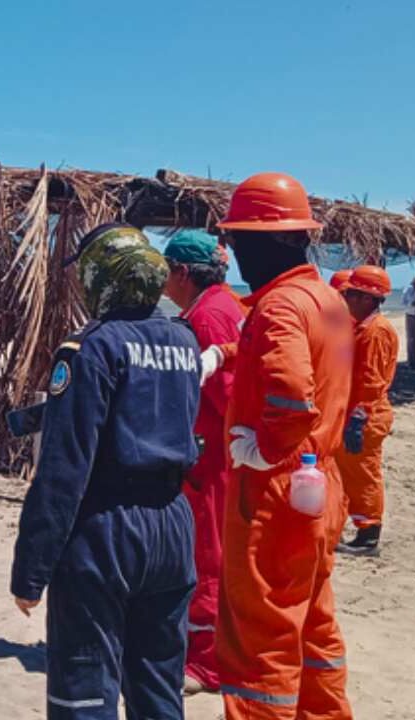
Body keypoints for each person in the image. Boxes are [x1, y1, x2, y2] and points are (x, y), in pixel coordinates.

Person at [11, 223, 201, 718]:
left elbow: (64, 469)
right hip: (172, 526)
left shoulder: (91, 347)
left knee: (84, 692)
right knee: (158, 687)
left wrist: (30, 571)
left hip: (106, 530)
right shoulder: (183, 339)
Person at [205, 172, 354, 719]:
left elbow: (291, 394)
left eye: (240, 240)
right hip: (321, 484)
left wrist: (266, 448)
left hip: (276, 491)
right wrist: (225, 354)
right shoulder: (327, 300)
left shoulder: (280, 306)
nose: (237, 255)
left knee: (260, 636)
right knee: (312, 622)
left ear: (273, 241)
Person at [161, 229, 244, 695]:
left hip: (212, 456)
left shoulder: (209, 315)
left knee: (208, 555)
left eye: (166, 271)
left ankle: (208, 663)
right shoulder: (222, 305)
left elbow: (229, 395)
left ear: (182, 273)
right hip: (217, 452)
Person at [334, 265, 398, 556]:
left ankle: (368, 534)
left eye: (351, 295)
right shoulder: (362, 327)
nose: (346, 300)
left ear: (366, 298)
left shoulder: (375, 332)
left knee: (363, 473)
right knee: (350, 471)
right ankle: (358, 527)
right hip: (359, 411)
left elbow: (371, 381)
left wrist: (358, 418)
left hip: (367, 414)